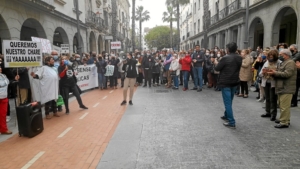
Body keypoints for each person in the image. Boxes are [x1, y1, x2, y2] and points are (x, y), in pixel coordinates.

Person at [215, 42, 242, 129]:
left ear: (228, 49)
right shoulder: (239, 57)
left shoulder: (225, 58)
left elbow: (217, 68)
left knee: (227, 102)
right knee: (230, 100)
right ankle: (226, 115)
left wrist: (216, 62)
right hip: (234, 81)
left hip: (226, 82)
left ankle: (231, 121)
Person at [267, 49, 297, 128]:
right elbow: (281, 71)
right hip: (282, 87)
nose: (280, 56)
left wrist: (275, 73)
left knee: (284, 106)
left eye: (281, 54)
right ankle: (285, 119)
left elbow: (287, 74)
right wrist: (274, 71)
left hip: (287, 87)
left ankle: (284, 122)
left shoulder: (290, 63)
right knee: (282, 105)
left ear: (286, 55)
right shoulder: (285, 62)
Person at [259, 50, 281, 121]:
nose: (270, 57)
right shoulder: (266, 62)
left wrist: (273, 72)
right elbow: (260, 74)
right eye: (269, 56)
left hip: (273, 83)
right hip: (266, 82)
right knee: (267, 98)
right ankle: (267, 111)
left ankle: (273, 114)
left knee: (273, 99)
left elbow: (280, 73)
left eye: (272, 56)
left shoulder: (279, 63)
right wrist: (263, 72)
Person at [0, 65, 12, 134]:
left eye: (0, 67)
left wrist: (14, 79)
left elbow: (8, 83)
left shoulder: (3, 76)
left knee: (3, 115)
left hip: (4, 97)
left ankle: (3, 129)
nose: (0, 68)